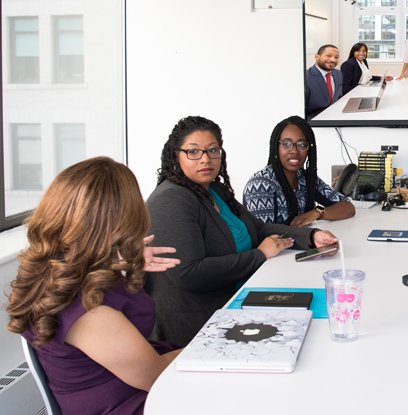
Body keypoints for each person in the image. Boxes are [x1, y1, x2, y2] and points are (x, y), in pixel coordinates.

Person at [6, 157, 183, 415]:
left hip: (122, 392)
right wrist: (212, 344)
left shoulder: (60, 271)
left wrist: (123, 260)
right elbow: (156, 378)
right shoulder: (90, 314)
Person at [144, 116, 338, 345]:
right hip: (196, 327)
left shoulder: (213, 189)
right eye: (194, 151)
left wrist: (311, 237)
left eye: (213, 150)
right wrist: (260, 255)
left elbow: (259, 228)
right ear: (176, 155)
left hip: (236, 302)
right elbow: (189, 274)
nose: (205, 159)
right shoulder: (171, 199)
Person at [244, 115, 356, 226]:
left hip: (305, 241)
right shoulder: (260, 185)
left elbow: (348, 207)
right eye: (286, 144)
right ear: (275, 147)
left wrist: (317, 213)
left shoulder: (305, 178)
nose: (294, 151)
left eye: (302, 145)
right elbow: (265, 235)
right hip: (290, 243)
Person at [305, 44, 344, 119]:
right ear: (317, 56)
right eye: (329, 56)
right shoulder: (306, 77)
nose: (333, 60)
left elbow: (339, 97)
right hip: (315, 122)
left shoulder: (338, 74)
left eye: (336, 57)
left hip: (335, 118)